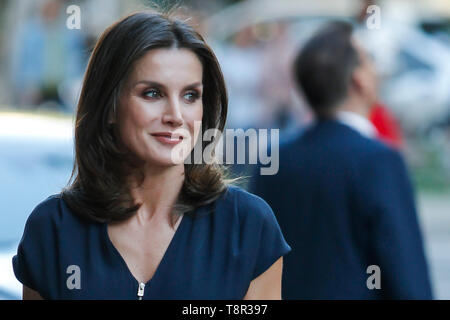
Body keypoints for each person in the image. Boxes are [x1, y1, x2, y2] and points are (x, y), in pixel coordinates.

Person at [12, 11, 291, 300]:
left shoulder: (247, 226)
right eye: (152, 93)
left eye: (190, 96)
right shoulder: (53, 229)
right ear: (109, 106)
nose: (176, 116)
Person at [249, 21, 433, 299]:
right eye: (369, 61)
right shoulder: (380, 161)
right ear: (359, 79)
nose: (378, 70)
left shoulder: (272, 160)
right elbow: (408, 279)